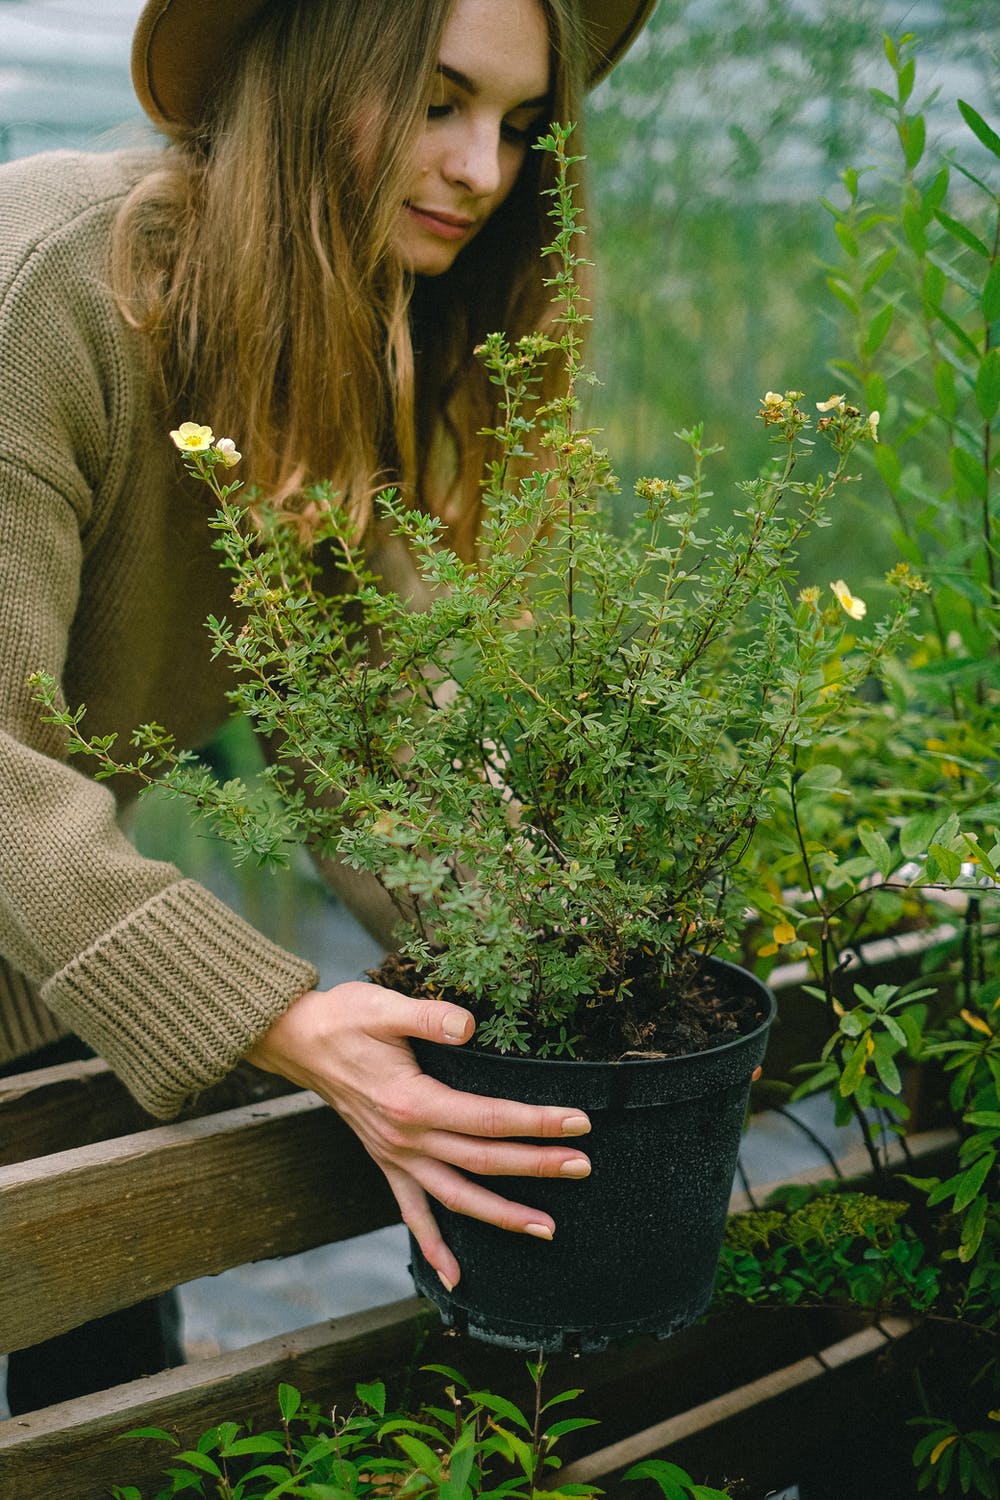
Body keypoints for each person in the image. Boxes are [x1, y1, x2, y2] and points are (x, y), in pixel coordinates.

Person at [0, 0, 656, 1409]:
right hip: (44, 920)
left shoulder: (320, 344)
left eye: (519, 126)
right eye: (436, 99)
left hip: (38, 967)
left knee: (109, 1408)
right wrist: (282, 1017)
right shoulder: (54, 278)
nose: (485, 168)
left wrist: (582, 966)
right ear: (306, 76)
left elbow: (376, 738)